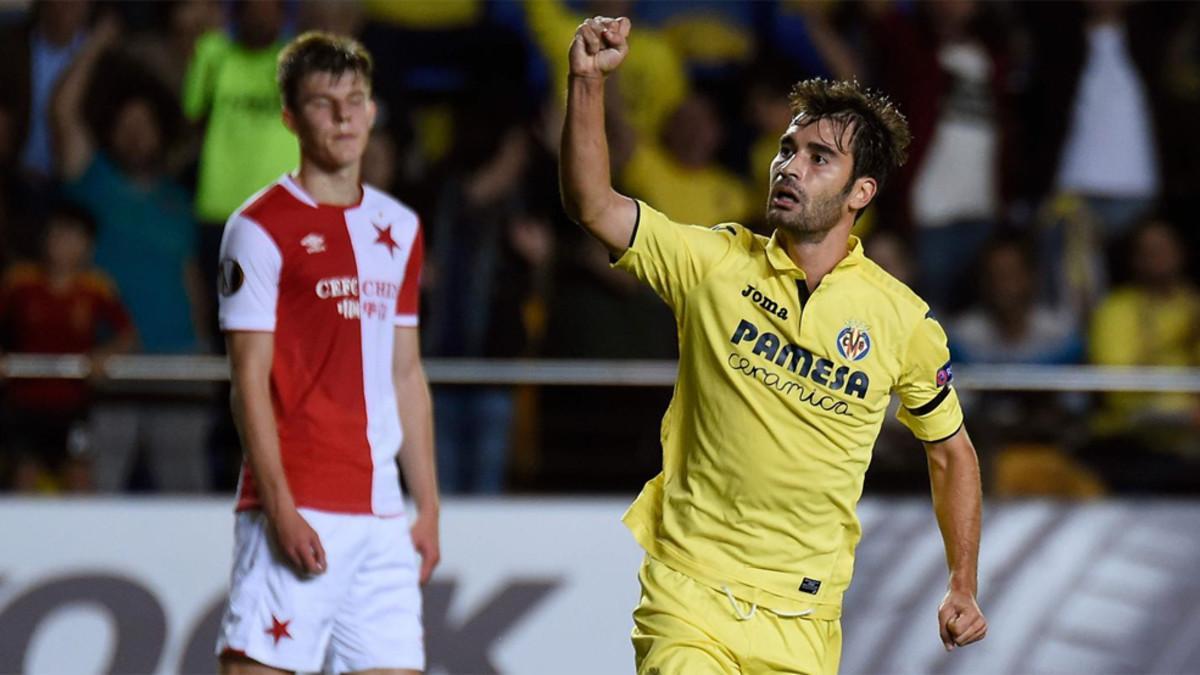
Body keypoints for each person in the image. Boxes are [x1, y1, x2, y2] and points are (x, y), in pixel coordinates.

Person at [561, 17, 987, 673]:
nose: (790, 165)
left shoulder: (901, 319)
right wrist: (587, 83)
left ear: (860, 193)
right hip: (689, 594)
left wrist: (962, 582)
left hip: (805, 622)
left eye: (820, 158)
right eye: (787, 148)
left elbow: (952, 452)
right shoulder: (712, 262)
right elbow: (594, 203)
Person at [215, 32, 439, 674]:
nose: (343, 116)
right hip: (300, 497)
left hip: (382, 512)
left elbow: (406, 371)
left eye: (355, 100)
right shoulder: (258, 228)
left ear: (372, 111)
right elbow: (247, 382)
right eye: (322, 103)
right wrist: (279, 507)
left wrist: (428, 506)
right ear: (289, 117)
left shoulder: (399, 227)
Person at [0, 202, 135, 492]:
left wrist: (104, 355)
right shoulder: (19, 282)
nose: (62, 243)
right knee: (24, 476)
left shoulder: (96, 287)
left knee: (80, 477)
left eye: (72, 236)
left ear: (87, 246)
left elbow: (127, 335)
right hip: (25, 402)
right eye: (56, 234)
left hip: (73, 404)